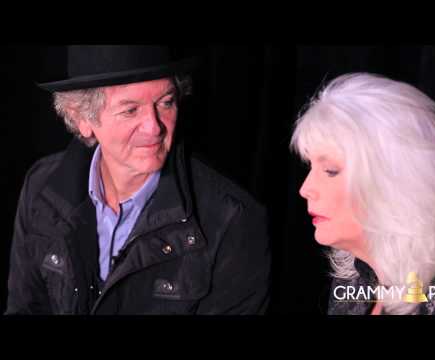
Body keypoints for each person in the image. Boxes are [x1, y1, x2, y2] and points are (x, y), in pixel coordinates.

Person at [5, 45, 271, 315]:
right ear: (82, 118)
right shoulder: (42, 188)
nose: (154, 127)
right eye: (130, 110)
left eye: (165, 102)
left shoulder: (231, 220)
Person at [290, 72, 435, 315]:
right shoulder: (357, 277)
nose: (305, 189)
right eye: (310, 167)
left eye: (330, 170)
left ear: (396, 182)